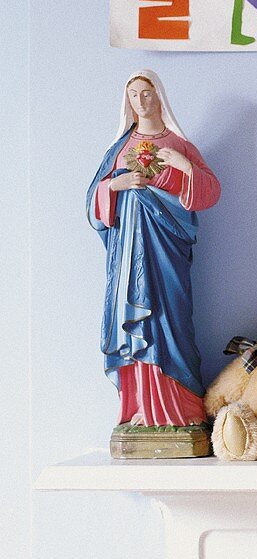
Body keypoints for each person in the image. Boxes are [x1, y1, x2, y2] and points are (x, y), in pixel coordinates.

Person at [86, 70, 220, 429]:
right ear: (126, 102)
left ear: (159, 96)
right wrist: (117, 184)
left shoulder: (180, 144)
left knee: (170, 321)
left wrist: (184, 165)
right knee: (134, 320)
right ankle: (141, 409)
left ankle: (183, 411)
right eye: (133, 95)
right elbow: (92, 203)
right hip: (129, 253)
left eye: (147, 93)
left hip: (166, 252)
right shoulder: (119, 149)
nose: (141, 102)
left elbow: (209, 191)